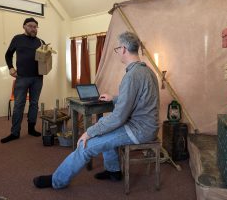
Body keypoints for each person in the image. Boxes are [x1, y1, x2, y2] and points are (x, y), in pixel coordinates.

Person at [33, 31, 160, 189]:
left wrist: (90, 132)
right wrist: (113, 98)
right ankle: (113, 171)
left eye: (117, 49)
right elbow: (140, 99)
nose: (118, 52)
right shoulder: (147, 71)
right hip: (148, 126)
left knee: (85, 145)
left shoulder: (132, 76)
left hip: (139, 130)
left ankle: (57, 180)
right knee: (101, 121)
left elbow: (118, 117)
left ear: (124, 49)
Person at [1, 17, 45, 143]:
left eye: (35, 26)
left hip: (38, 78)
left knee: (34, 104)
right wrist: (10, 68)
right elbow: (8, 54)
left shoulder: (41, 42)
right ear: (24, 26)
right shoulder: (17, 39)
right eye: (30, 26)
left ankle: (31, 129)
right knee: (19, 105)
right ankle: (15, 133)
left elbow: (45, 59)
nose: (33, 28)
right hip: (22, 78)